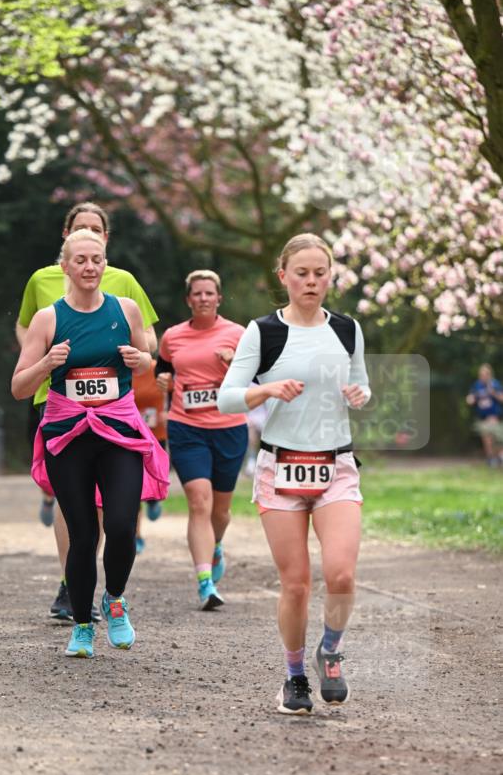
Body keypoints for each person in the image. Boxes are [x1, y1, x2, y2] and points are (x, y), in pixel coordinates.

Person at [218, 233, 370, 715]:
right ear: (283, 276)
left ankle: (331, 650)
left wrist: (359, 395)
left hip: (336, 464)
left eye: (319, 273)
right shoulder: (263, 332)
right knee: (297, 583)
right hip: (281, 467)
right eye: (301, 273)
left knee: (342, 573)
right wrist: (266, 391)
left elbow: (361, 383)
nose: (311, 281)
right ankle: (294, 676)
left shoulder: (347, 329)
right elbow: (226, 397)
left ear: (330, 277)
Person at [12, 228, 169, 658]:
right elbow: (19, 387)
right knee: (83, 535)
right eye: (80, 260)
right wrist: (47, 363)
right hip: (68, 435)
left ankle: (114, 599)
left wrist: (141, 360)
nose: (89, 267)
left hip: (118, 430)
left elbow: (147, 362)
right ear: (65, 266)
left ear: (105, 263)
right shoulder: (48, 319)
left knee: (121, 525)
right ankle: (82, 624)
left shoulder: (126, 309)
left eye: (96, 259)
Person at [156, 270, 248, 610]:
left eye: (209, 293)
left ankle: (216, 544)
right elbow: (162, 369)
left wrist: (236, 363)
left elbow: (257, 376)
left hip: (229, 428)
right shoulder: (172, 336)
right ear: (188, 299)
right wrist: (163, 381)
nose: (203, 298)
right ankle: (205, 582)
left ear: (219, 298)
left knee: (220, 510)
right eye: (197, 293)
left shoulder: (238, 334)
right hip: (186, 427)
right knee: (199, 501)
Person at [132, 358, 168, 553]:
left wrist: (169, 412)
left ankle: (154, 500)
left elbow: (176, 391)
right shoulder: (119, 370)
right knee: (132, 489)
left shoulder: (157, 370)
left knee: (154, 481)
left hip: (156, 437)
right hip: (130, 437)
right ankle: (136, 535)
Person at [466, 363, 503, 466]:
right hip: (482, 417)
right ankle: (491, 458)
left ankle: (497, 457)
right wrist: (471, 398)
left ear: (489, 374)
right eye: (481, 374)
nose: (482, 376)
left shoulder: (495, 384)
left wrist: (493, 393)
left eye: (484, 374)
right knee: (486, 437)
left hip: (494, 416)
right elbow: (470, 399)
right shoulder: (477, 385)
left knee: (495, 438)